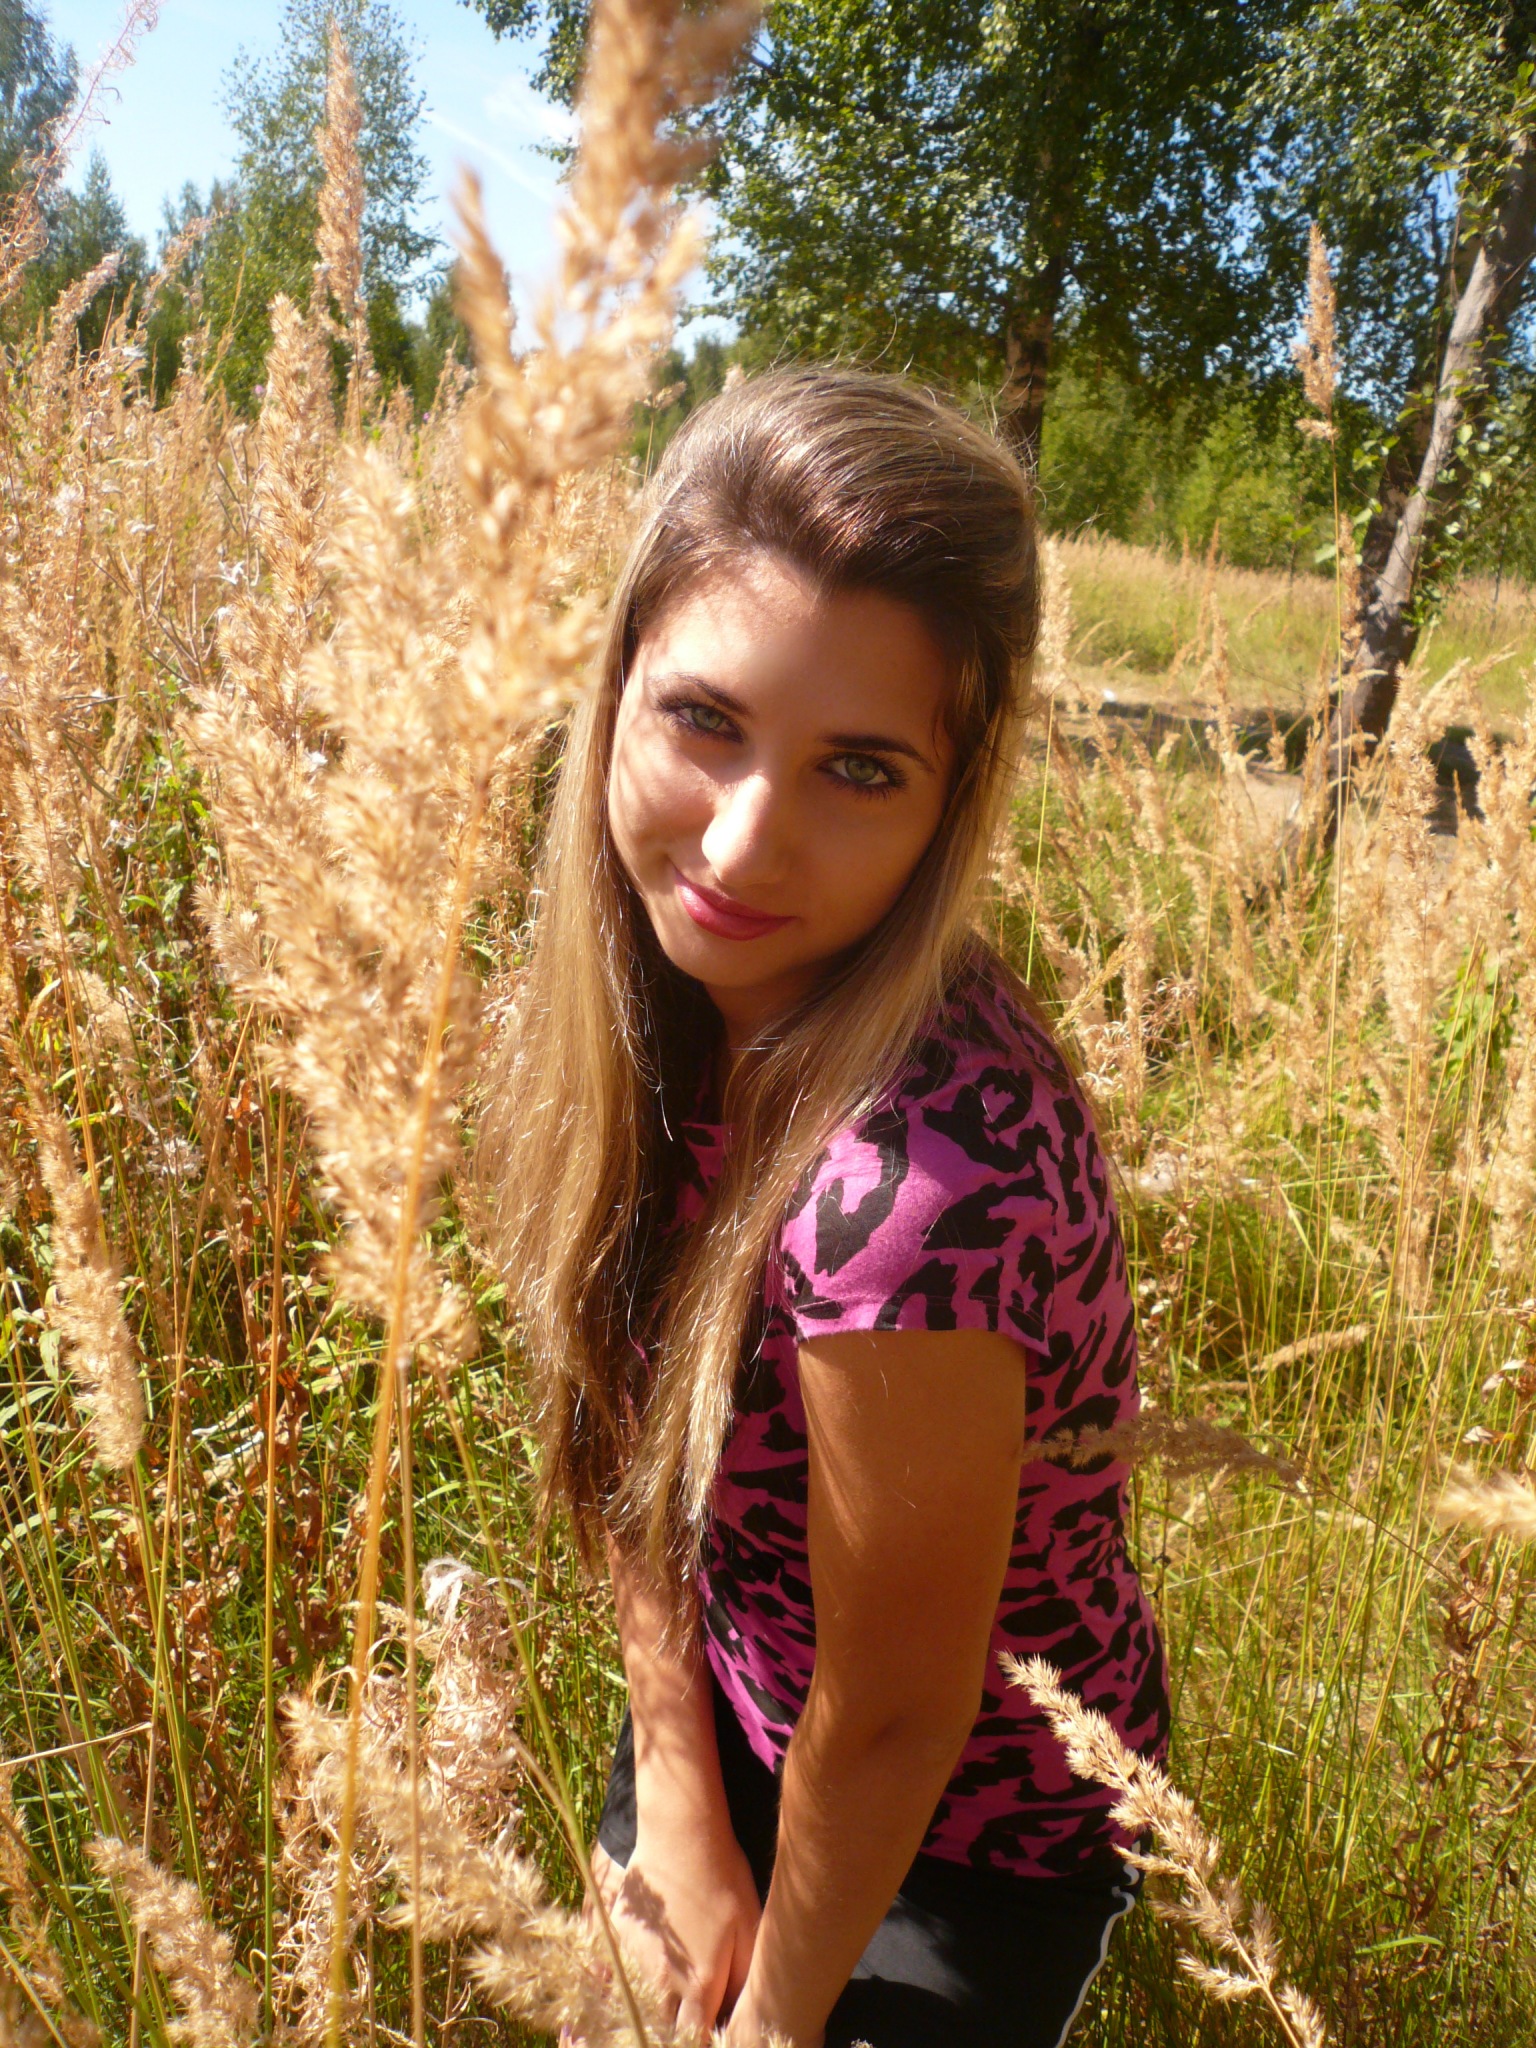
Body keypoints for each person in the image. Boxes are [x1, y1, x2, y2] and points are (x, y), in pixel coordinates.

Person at [477, 367, 1168, 2048]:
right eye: (704, 720)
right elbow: (633, 1435)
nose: (742, 844)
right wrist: (678, 1802)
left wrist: (772, 2022)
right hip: (733, 1703)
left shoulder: (922, 1189)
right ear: (617, 689)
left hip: (970, 1829)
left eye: (859, 769)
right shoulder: (638, 1013)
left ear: (949, 802)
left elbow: (899, 1721)